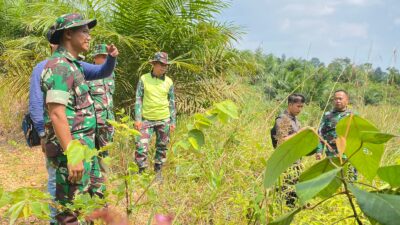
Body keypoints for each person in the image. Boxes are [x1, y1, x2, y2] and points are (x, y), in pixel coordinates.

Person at [29, 28, 117, 223]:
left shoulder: (74, 65)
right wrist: (71, 153)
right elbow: (56, 113)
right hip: (70, 150)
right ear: (67, 35)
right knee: (68, 212)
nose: (89, 36)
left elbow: (102, 71)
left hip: (84, 147)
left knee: (90, 201)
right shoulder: (59, 67)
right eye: (84, 31)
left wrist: (111, 58)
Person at [134, 52, 176, 179]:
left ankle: (158, 171)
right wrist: (138, 119)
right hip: (146, 119)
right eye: (161, 64)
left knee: (162, 146)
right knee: (141, 146)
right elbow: (138, 98)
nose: (163, 67)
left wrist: (173, 122)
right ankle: (141, 171)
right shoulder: (144, 79)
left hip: (164, 119)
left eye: (165, 65)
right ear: (153, 64)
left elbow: (172, 102)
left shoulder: (169, 82)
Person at [271, 93, 305, 207]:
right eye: (298, 106)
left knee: (293, 189)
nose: (300, 109)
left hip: (295, 161)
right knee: (283, 188)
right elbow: (281, 141)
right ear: (290, 105)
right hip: (285, 161)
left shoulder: (295, 120)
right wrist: (299, 133)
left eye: (301, 107)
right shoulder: (282, 120)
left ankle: (290, 210)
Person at [315, 90, 357, 180]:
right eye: (335, 99)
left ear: (347, 100)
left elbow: (359, 135)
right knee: (332, 180)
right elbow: (320, 133)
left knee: (350, 180)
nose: (338, 101)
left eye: (340, 99)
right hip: (332, 154)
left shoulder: (353, 116)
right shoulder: (328, 116)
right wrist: (319, 150)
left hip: (349, 154)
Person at [87, 43, 116, 173]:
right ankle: (93, 177)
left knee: (106, 149)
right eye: (102, 57)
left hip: (108, 119)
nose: (105, 59)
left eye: (106, 57)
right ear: (95, 58)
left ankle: (106, 176)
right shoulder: (87, 75)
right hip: (93, 120)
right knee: (92, 150)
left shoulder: (111, 74)